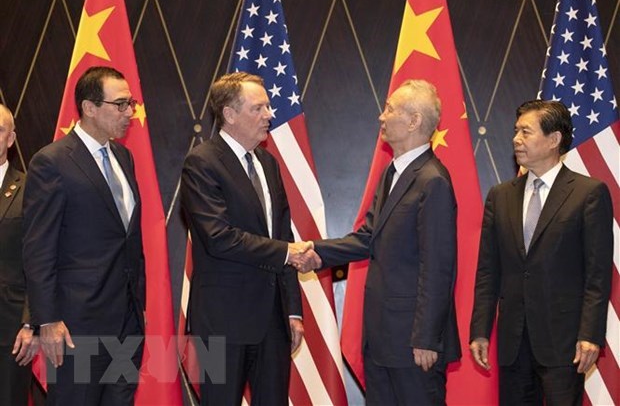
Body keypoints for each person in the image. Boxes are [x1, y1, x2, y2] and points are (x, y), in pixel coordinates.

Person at [298, 79, 461, 405]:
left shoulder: (433, 180)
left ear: (414, 121)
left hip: (415, 345)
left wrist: (427, 338)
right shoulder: (393, 173)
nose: (381, 117)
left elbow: (438, 267)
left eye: (389, 110)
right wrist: (317, 252)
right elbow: (368, 237)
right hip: (384, 339)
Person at [469, 100, 613, 405]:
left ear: (554, 139)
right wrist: (480, 330)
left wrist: (591, 335)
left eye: (526, 131)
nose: (516, 139)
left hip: (565, 342)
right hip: (513, 340)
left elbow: (597, 275)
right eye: (516, 130)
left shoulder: (589, 193)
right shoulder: (500, 196)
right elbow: (488, 271)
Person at [181, 72, 306, 406]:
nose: (269, 114)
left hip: (273, 322)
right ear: (230, 114)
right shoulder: (202, 163)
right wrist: (287, 252)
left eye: (268, 106)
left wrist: (292, 310)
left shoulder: (268, 163)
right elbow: (218, 237)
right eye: (258, 108)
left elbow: (283, 234)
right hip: (222, 322)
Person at [22, 66, 145, 405]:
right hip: (77, 325)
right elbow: (38, 250)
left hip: (127, 320)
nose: (130, 113)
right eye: (120, 105)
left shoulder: (124, 157)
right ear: (89, 107)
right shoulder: (52, 162)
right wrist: (46, 319)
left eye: (130, 103)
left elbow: (128, 237)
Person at [0, 104, 38, 405]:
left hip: (9, 330)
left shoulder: (29, 190)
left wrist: (30, 323)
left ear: (10, 139)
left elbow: (38, 261)